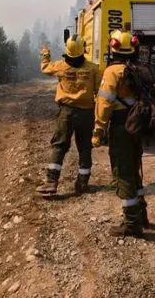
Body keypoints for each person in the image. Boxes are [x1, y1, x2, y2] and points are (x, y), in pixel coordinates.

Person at [92, 30, 149, 237]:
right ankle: (142, 214)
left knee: (123, 172)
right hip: (137, 125)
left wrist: (98, 130)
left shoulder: (112, 72)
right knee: (134, 169)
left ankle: (132, 224)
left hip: (121, 126)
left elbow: (104, 103)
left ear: (113, 47)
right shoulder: (139, 69)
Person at [36, 35, 101, 196]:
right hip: (87, 113)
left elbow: (45, 68)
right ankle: (83, 183)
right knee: (85, 147)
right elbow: (99, 92)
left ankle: (51, 182)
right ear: (83, 49)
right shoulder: (93, 68)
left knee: (59, 146)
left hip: (67, 113)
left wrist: (45, 54)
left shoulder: (61, 66)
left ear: (68, 49)